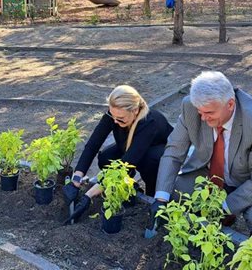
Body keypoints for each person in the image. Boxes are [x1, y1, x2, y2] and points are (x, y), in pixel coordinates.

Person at [151, 71, 252, 240]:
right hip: (211, 172)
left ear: (230, 104)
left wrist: (222, 208)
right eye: (200, 112)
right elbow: (174, 152)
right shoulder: (191, 107)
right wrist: (161, 198)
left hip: (251, 178)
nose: (203, 118)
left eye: (209, 113)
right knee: (175, 194)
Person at [63, 85, 173, 223]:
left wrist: (88, 196)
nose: (115, 121)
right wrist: (76, 180)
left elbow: (124, 167)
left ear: (135, 110)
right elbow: (93, 145)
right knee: (106, 158)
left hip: (157, 152)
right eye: (112, 116)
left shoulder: (150, 122)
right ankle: (128, 190)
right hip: (132, 148)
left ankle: (151, 198)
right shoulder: (115, 114)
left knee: (150, 161)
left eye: (120, 119)